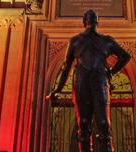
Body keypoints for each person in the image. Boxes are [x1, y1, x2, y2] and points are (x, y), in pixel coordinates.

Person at [45, 9, 131, 152]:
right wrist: (111, 72)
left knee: (99, 125)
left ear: (84, 22)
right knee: (89, 125)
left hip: (95, 82)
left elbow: (66, 68)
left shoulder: (103, 41)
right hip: (84, 82)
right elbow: (125, 57)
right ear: (97, 22)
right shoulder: (79, 41)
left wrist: (58, 89)